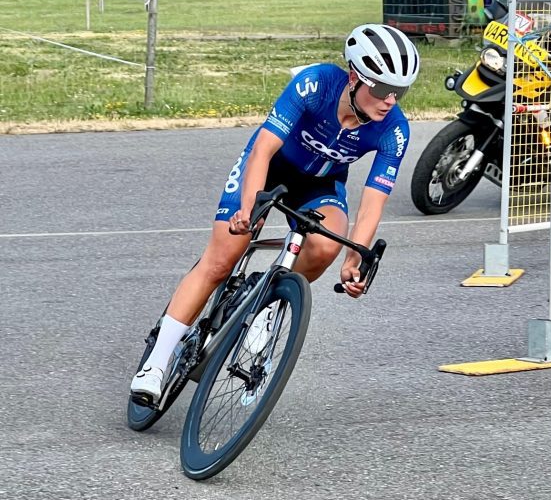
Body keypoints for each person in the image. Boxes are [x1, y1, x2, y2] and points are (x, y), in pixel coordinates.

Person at [131, 24, 420, 402]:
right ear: (353, 78)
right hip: (271, 168)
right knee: (223, 258)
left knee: (326, 246)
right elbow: (263, 150)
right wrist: (249, 208)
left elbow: (372, 203)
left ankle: (266, 308)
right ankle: (157, 360)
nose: (390, 101)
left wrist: (355, 258)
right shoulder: (315, 84)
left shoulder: (393, 131)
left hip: (320, 184)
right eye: (381, 89)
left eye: (400, 92)